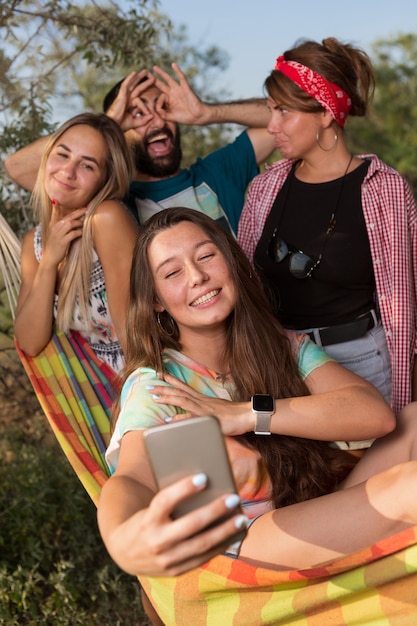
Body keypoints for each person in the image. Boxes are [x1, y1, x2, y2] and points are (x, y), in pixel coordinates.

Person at [96, 207, 413, 600]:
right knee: (411, 488)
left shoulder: (277, 345)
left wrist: (246, 414)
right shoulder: (159, 383)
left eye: (206, 255)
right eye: (172, 272)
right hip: (245, 549)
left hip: (308, 506)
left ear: (231, 261)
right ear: (156, 301)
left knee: (413, 420)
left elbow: (374, 415)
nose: (197, 277)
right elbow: (131, 478)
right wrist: (124, 539)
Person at [237, 38, 417, 437]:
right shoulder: (263, 189)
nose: (271, 126)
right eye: (271, 110)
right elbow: (246, 284)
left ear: (324, 111)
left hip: (365, 363)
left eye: (283, 111)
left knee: (376, 491)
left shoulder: (385, 190)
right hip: (286, 365)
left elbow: (409, 297)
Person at [5, 64, 276, 235]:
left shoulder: (217, 171)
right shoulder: (111, 202)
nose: (157, 121)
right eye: (138, 114)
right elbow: (18, 167)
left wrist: (207, 113)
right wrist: (108, 124)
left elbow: (291, 116)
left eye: (164, 108)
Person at [14, 112, 139, 374]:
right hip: (100, 387)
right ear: (46, 156)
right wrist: (49, 261)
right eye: (62, 154)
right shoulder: (33, 243)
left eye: (87, 165)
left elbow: (135, 332)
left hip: (141, 378)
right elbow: (29, 342)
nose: (68, 172)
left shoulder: (106, 220)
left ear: (105, 180)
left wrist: (142, 403)